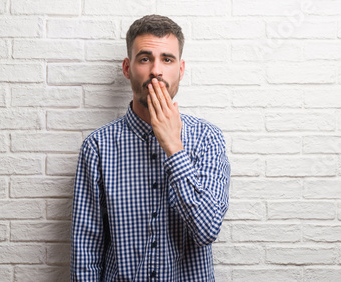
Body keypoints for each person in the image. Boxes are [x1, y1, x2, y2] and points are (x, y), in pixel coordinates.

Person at [70, 14, 230, 281]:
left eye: (167, 59)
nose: (156, 70)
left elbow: (207, 229)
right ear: (127, 68)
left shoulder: (207, 138)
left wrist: (173, 148)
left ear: (180, 69)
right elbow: (86, 250)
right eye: (145, 59)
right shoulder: (97, 146)